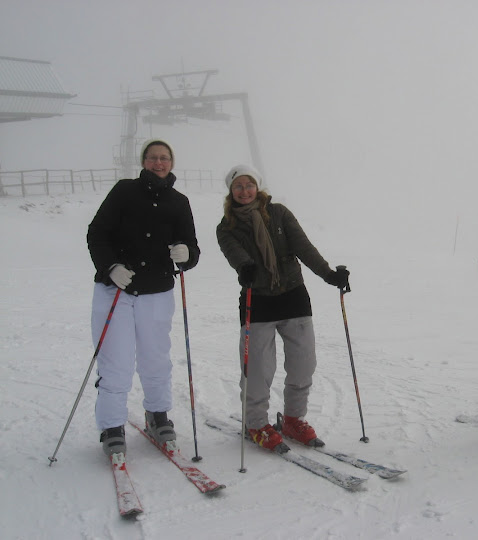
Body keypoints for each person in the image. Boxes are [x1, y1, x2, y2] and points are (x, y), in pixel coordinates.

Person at [216, 164, 349, 450]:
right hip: (257, 301)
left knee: (303, 363)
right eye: (238, 186)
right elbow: (233, 252)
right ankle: (256, 423)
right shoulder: (226, 226)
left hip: (293, 296)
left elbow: (303, 247)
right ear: (231, 191)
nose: (244, 191)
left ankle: (293, 419)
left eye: (249, 185)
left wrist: (328, 274)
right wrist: (245, 266)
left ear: (258, 186)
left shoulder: (279, 213)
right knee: (258, 370)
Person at [87, 139, 200, 456]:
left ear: (171, 163)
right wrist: (110, 266)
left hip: (157, 292)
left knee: (156, 359)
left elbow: (191, 246)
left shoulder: (179, 202)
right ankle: (112, 426)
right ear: (143, 161)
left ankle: (157, 414)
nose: (158, 163)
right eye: (152, 158)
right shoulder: (124, 191)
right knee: (116, 361)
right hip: (116, 290)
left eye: (164, 158)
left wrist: (187, 254)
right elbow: (97, 233)